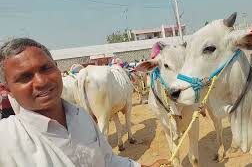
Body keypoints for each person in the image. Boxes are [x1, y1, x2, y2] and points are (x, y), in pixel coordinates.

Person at [0, 38, 169, 167]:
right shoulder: (6, 139)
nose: (41, 81)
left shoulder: (81, 116)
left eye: (46, 68)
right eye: (25, 77)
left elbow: (108, 161)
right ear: (6, 89)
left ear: (57, 68)